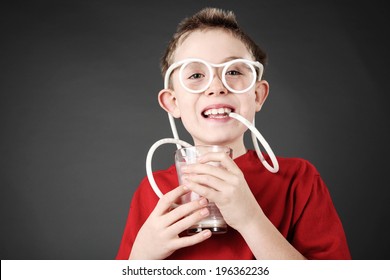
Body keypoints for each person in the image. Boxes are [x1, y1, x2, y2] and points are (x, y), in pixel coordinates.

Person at [116, 7, 351, 260]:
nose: (216, 87)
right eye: (196, 75)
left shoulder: (298, 180)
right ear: (172, 102)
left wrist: (250, 219)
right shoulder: (152, 191)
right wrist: (141, 256)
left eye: (234, 72)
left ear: (258, 95)